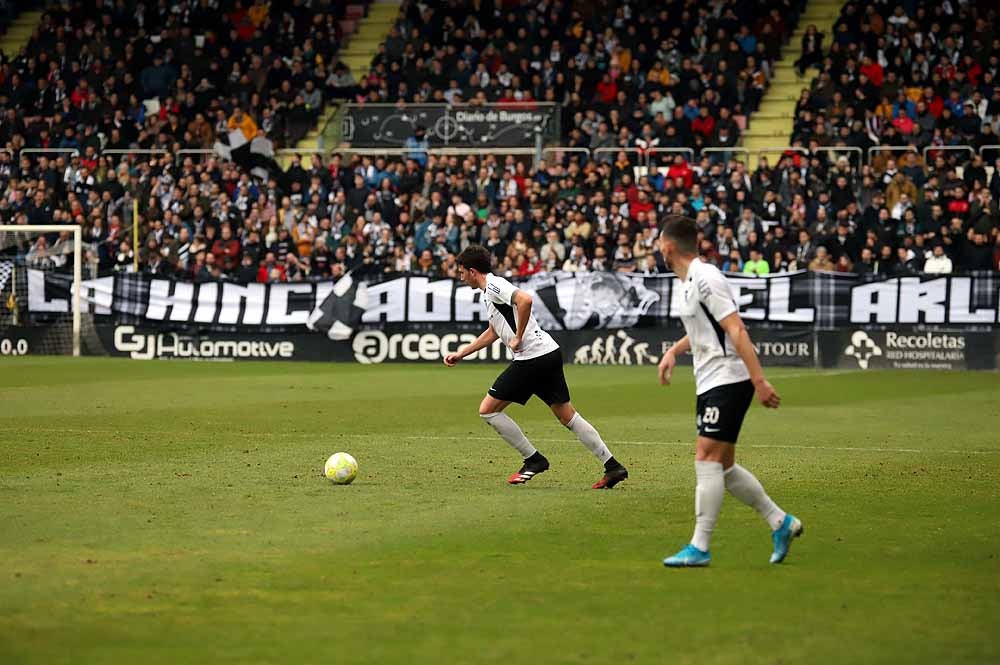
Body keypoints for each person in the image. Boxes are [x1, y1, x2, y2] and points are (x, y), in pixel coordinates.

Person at [655, 215, 802, 567]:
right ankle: (780, 522)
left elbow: (735, 329)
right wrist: (674, 351)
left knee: (705, 457)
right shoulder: (688, 281)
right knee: (723, 466)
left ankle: (700, 546)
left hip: (729, 378)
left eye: (659, 244)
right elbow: (706, 330)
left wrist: (759, 381)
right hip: (709, 380)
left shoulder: (707, 277)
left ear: (668, 246)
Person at [443, 245, 628, 489]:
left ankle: (533, 460)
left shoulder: (495, 285)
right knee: (567, 416)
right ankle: (612, 466)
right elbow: (493, 331)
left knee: (488, 410)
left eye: (461, 272)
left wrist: (518, 336)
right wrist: (462, 353)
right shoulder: (489, 292)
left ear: (473, 271)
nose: (460, 276)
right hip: (548, 353)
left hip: (532, 358)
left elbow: (525, 299)